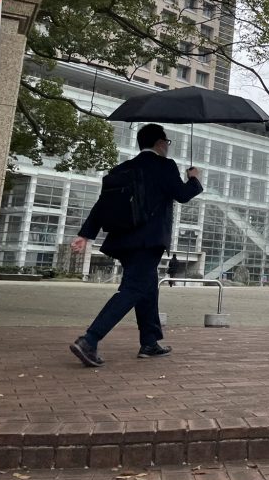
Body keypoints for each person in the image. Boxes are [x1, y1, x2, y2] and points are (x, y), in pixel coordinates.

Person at [69, 124, 202, 367]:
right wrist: (194, 179)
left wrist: (85, 235)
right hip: (148, 240)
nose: (167, 147)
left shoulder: (123, 168)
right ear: (160, 143)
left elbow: (102, 205)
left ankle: (149, 342)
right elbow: (182, 194)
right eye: (167, 142)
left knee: (148, 288)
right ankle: (90, 339)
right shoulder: (164, 166)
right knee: (132, 289)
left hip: (122, 241)